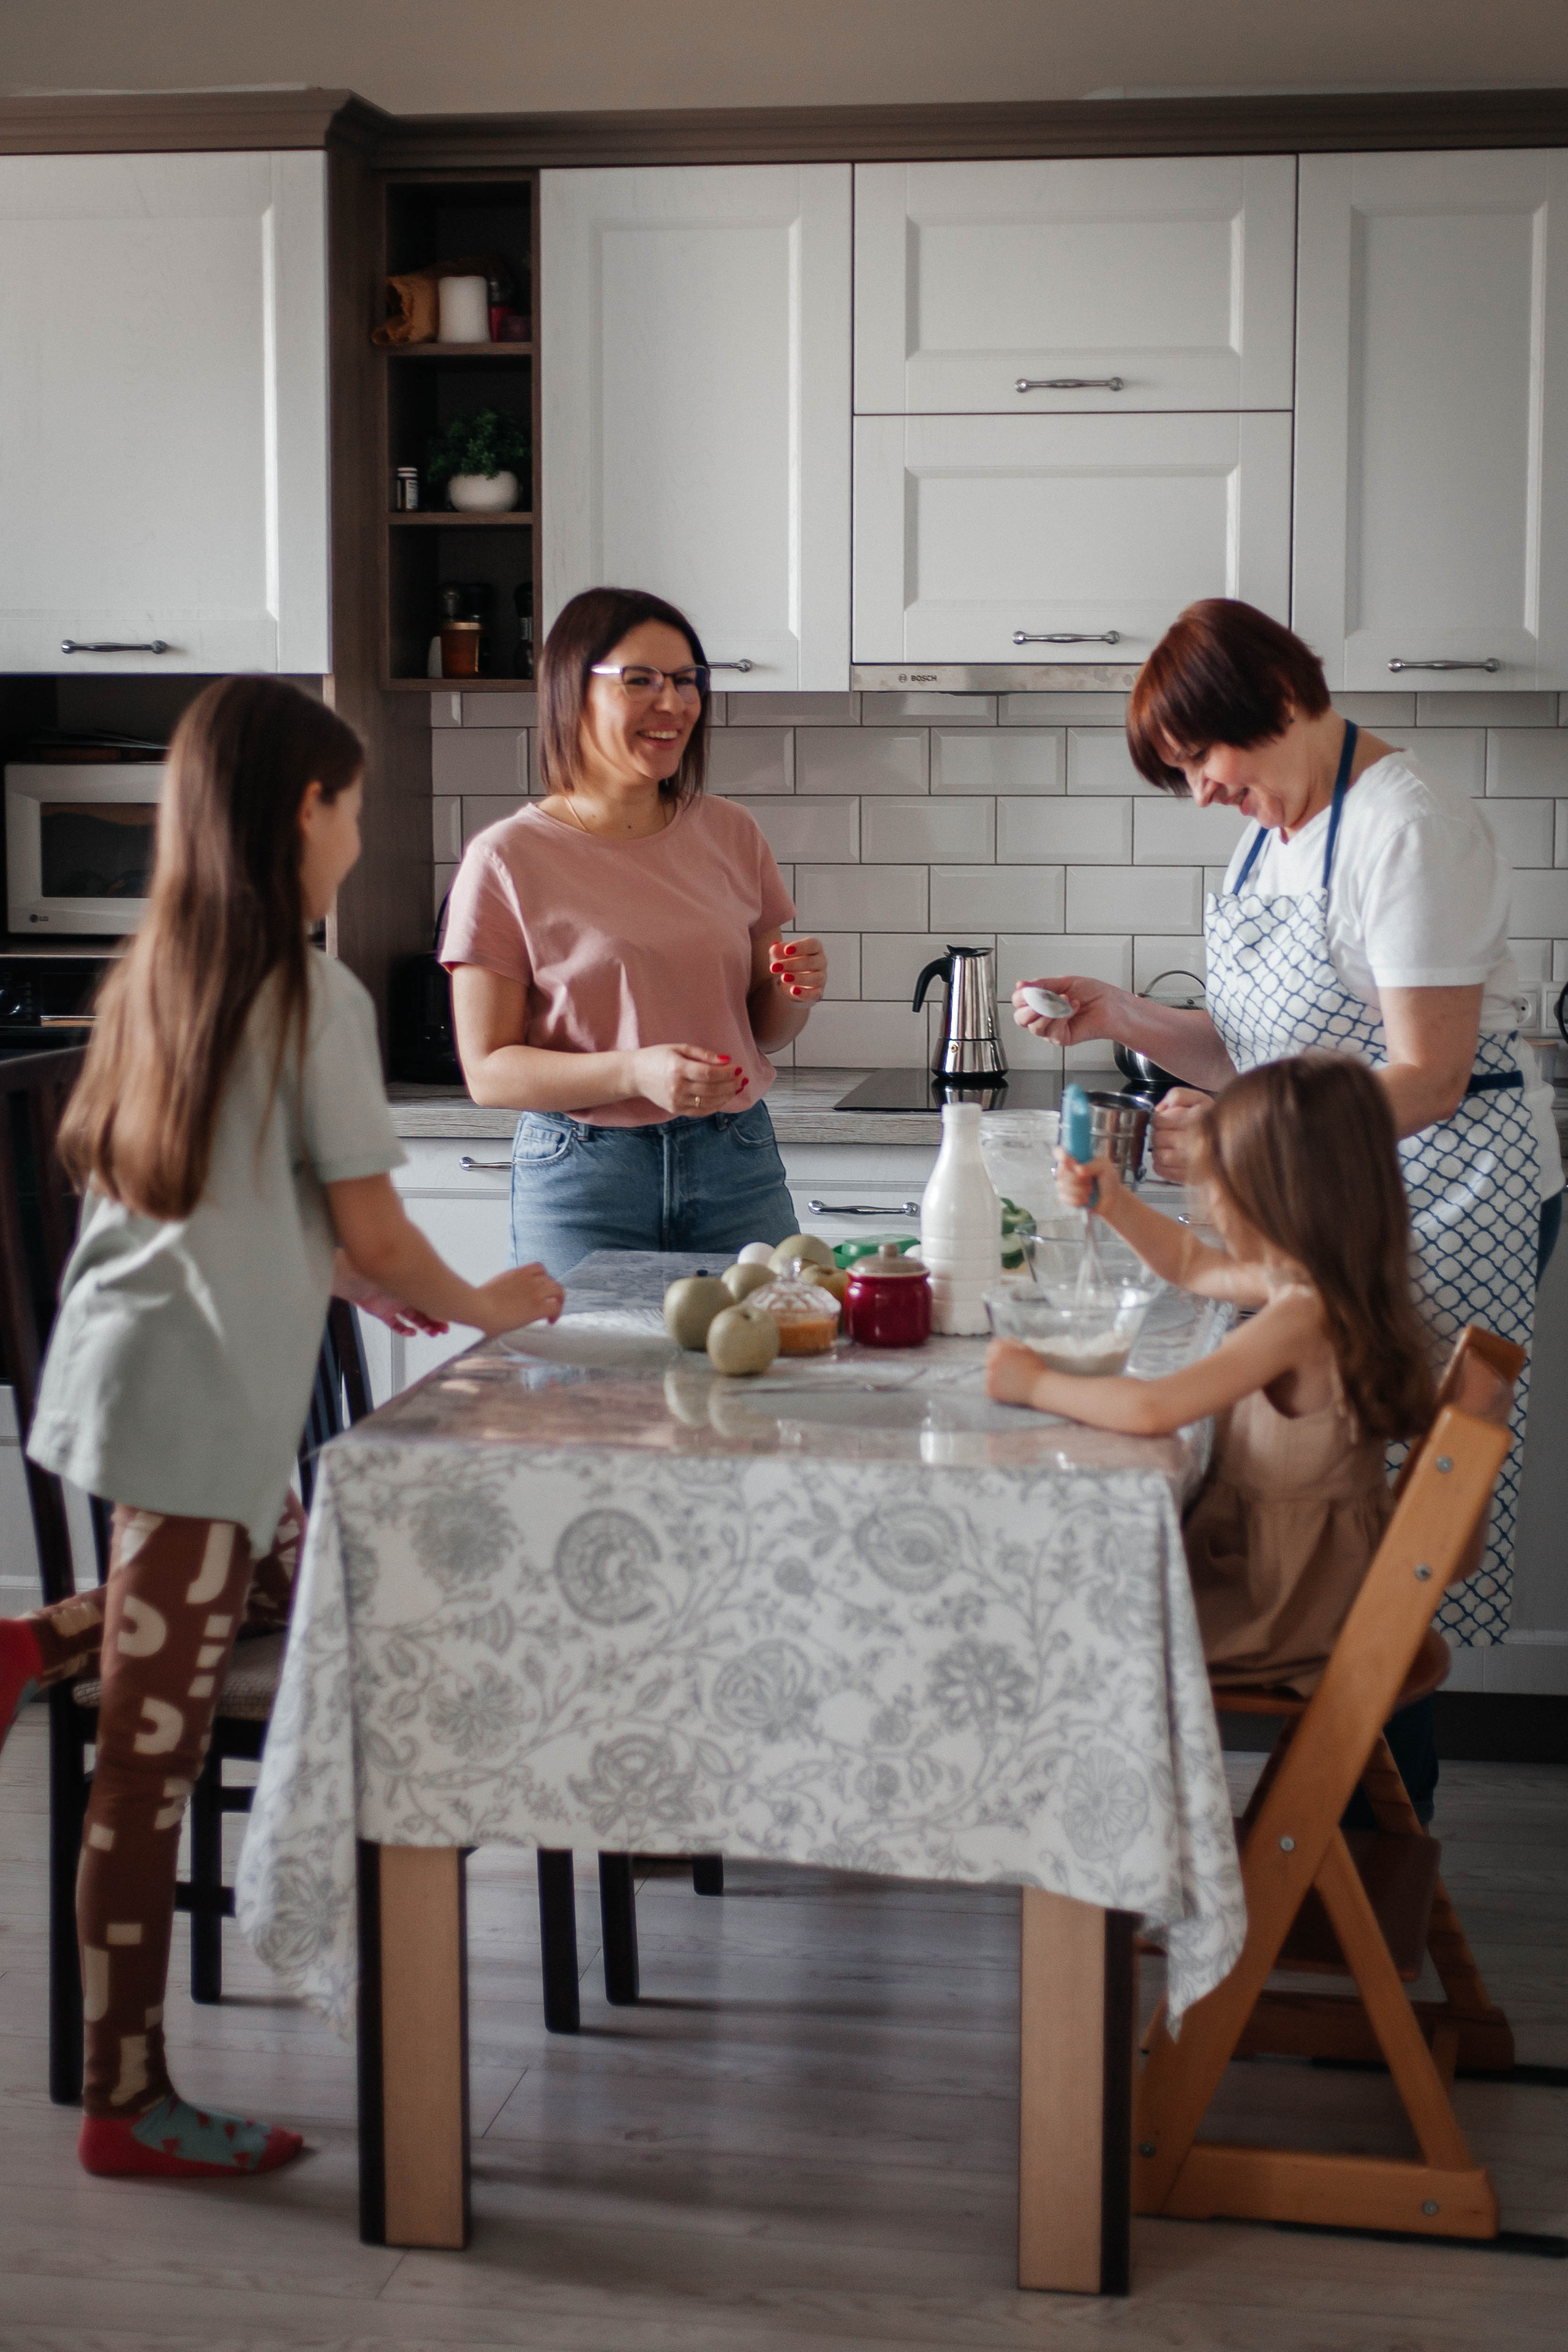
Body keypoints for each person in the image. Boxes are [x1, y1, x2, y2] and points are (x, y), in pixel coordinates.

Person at [0, 677, 563, 2182]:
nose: (357, 838)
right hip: (194, 1409)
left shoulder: (161, 972)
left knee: (291, 1571)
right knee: (148, 1762)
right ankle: (127, 2099)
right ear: (305, 811)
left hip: (129, 1369)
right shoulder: (310, 997)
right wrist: (486, 1301)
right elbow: (376, 1229)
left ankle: (38, 1638)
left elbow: (235, 1195)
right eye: (354, 809)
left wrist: (342, 1274)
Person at [1013, 600, 1561, 1805]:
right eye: (1181, 773)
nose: (1201, 791)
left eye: (1202, 757)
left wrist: (1231, 1144)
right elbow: (1254, 1051)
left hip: (1438, 1188)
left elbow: (1426, 1073)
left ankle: (1363, 1823)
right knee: (1312, 1491)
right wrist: (1121, 1015)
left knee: (1377, 1534)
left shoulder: (1404, 827)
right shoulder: (1271, 833)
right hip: (1326, 1196)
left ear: (1274, 700)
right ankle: (1339, 1824)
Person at [987, 1055, 1438, 1713]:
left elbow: (1153, 1408)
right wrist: (1114, 1203)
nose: (1210, 1199)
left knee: (1059, 1626)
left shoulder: (1302, 1317)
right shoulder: (1332, 1282)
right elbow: (1192, 1264)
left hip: (1279, 1606)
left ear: (1271, 1196)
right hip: (1295, 1580)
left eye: (1218, 1180)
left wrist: (1032, 1384)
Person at [442, 585, 827, 1278]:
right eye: (641, 680)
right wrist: (633, 1071)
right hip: (584, 1175)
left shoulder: (731, 832)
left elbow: (765, 1032)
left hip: (735, 1161)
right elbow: (489, 1072)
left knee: (767, 1348)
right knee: (587, 1357)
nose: (672, 703)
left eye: (686, 680)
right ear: (572, 692)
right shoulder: (506, 857)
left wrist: (793, 990)